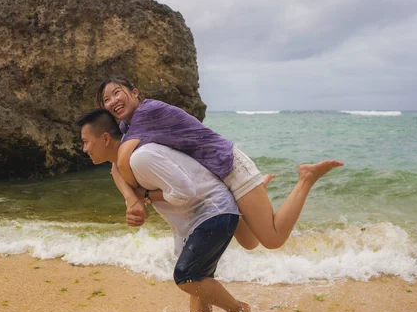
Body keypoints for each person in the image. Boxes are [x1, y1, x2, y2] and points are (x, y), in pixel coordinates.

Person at [97, 76, 344, 250]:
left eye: (116, 92)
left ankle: (306, 178)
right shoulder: (126, 125)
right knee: (249, 242)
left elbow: (121, 158)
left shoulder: (147, 112)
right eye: (106, 100)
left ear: (135, 92)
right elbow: (116, 167)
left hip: (229, 165)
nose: (112, 101)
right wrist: (135, 198)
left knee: (273, 239)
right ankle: (259, 190)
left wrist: (140, 195)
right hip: (214, 177)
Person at [76, 108, 251, 312]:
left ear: (105, 138)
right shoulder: (122, 165)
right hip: (196, 220)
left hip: (214, 211)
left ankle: (237, 309)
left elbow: (186, 192)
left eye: (86, 142)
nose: (84, 149)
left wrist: (145, 194)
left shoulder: (141, 157)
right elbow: (116, 171)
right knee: (199, 281)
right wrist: (135, 203)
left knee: (186, 276)